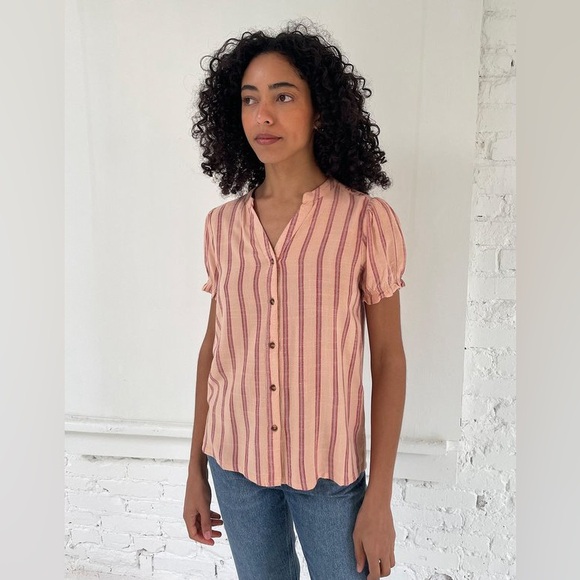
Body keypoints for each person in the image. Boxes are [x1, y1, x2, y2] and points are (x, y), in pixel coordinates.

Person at [183, 21, 407, 580]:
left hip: (328, 474)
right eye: (249, 99)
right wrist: (195, 471)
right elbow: (214, 351)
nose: (263, 115)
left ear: (320, 111)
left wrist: (379, 499)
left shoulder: (364, 221)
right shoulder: (222, 226)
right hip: (234, 462)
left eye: (283, 97)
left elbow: (388, 359)